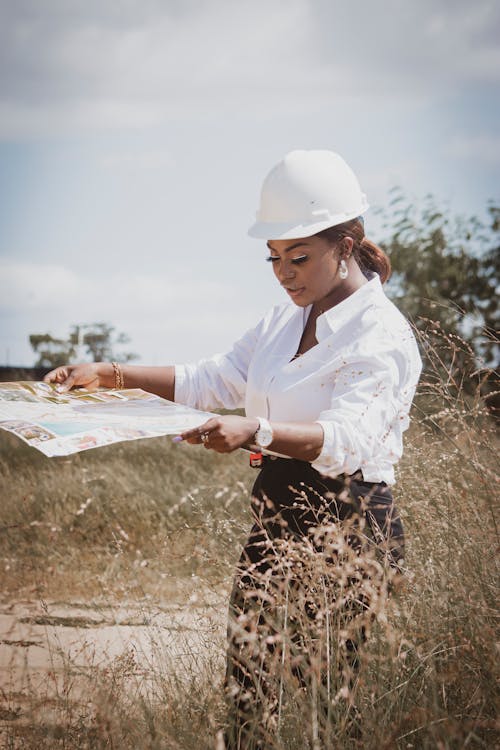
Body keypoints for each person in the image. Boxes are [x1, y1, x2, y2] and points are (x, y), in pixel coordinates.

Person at [45, 150, 422, 748]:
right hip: (274, 518)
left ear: (347, 246)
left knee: (331, 706)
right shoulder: (279, 323)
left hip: (350, 528)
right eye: (273, 257)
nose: (283, 272)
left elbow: (350, 441)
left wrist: (258, 432)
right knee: (247, 692)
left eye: (299, 257)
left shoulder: (382, 334)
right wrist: (111, 373)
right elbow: (211, 379)